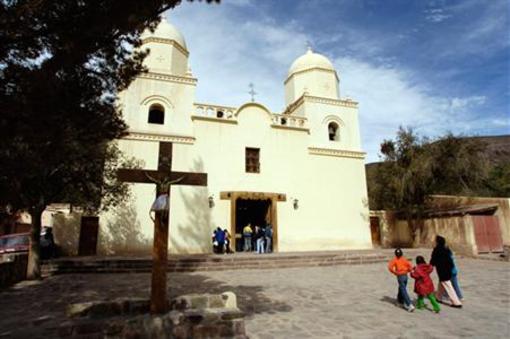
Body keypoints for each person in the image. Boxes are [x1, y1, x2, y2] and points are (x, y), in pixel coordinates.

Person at [430, 235, 462, 308]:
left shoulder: (437, 250)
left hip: (442, 270)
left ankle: (456, 302)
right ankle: (438, 297)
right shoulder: (446, 249)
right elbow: (450, 260)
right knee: (441, 283)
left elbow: (433, 260)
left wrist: (430, 266)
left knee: (448, 285)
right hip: (448, 269)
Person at [388, 248, 415, 312]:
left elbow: (390, 267)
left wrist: (395, 272)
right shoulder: (404, 259)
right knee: (401, 288)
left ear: (395, 254)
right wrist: (409, 270)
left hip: (400, 276)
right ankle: (400, 301)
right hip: (405, 276)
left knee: (403, 290)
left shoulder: (394, 260)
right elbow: (410, 266)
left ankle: (409, 304)